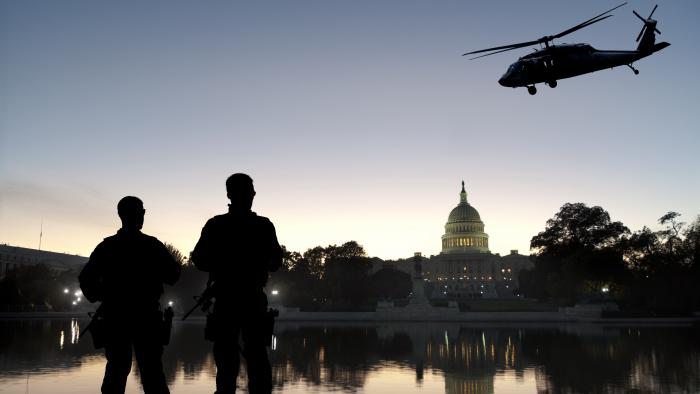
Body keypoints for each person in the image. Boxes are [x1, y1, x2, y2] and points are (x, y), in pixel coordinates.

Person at [79, 196, 181, 394]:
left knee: (116, 373)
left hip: (116, 317)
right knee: (153, 375)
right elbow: (174, 275)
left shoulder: (107, 247)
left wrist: (104, 296)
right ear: (139, 214)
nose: (143, 214)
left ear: (120, 215)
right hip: (146, 317)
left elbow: (86, 280)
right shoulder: (152, 246)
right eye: (141, 211)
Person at [191, 173, 282, 394]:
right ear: (235, 194)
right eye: (250, 191)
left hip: (227, 300)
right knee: (255, 361)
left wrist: (223, 263)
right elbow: (276, 262)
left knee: (228, 365)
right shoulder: (262, 226)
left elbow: (200, 260)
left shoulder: (216, 225)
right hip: (249, 300)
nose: (252, 194)